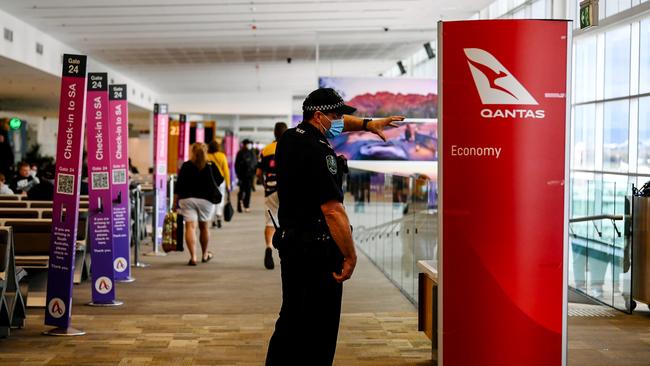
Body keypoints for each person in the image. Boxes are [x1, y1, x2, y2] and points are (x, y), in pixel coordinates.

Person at [265, 88, 404, 366]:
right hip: (317, 251)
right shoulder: (320, 151)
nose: (341, 121)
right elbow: (332, 210)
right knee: (320, 330)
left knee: (291, 319)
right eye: (337, 115)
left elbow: (338, 124)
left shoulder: (291, 138)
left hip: (292, 245)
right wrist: (350, 255)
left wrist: (367, 124)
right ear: (319, 116)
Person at [174, 143, 224, 266]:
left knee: (190, 227)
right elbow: (220, 180)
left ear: (192, 152)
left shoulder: (186, 166)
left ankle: (193, 257)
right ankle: (205, 254)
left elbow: (178, 185)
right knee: (204, 227)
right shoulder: (210, 165)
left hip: (187, 199)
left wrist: (175, 202)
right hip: (206, 200)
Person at [256, 122, 287, 270]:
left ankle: (269, 247)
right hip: (288, 189)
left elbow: (258, 173)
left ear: (274, 133)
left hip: (271, 189)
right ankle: (287, 250)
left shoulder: (266, 150)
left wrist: (265, 184)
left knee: (270, 221)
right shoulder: (291, 147)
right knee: (289, 219)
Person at [207, 140, 231, 228]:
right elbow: (226, 171)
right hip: (220, 181)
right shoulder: (222, 156)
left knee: (211, 200)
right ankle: (218, 215)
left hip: (210, 182)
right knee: (220, 199)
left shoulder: (207, 156)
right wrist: (228, 184)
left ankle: (213, 220)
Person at [234, 138, 257, 213]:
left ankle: (246, 205)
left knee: (247, 191)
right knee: (242, 191)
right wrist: (238, 174)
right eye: (248, 144)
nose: (249, 145)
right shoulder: (240, 153)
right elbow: (237, 165)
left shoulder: (252, 152)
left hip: (249, 176)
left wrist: (254, 173)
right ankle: (240, 205)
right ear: (244, 145)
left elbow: (255, 163)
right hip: (243, 175)